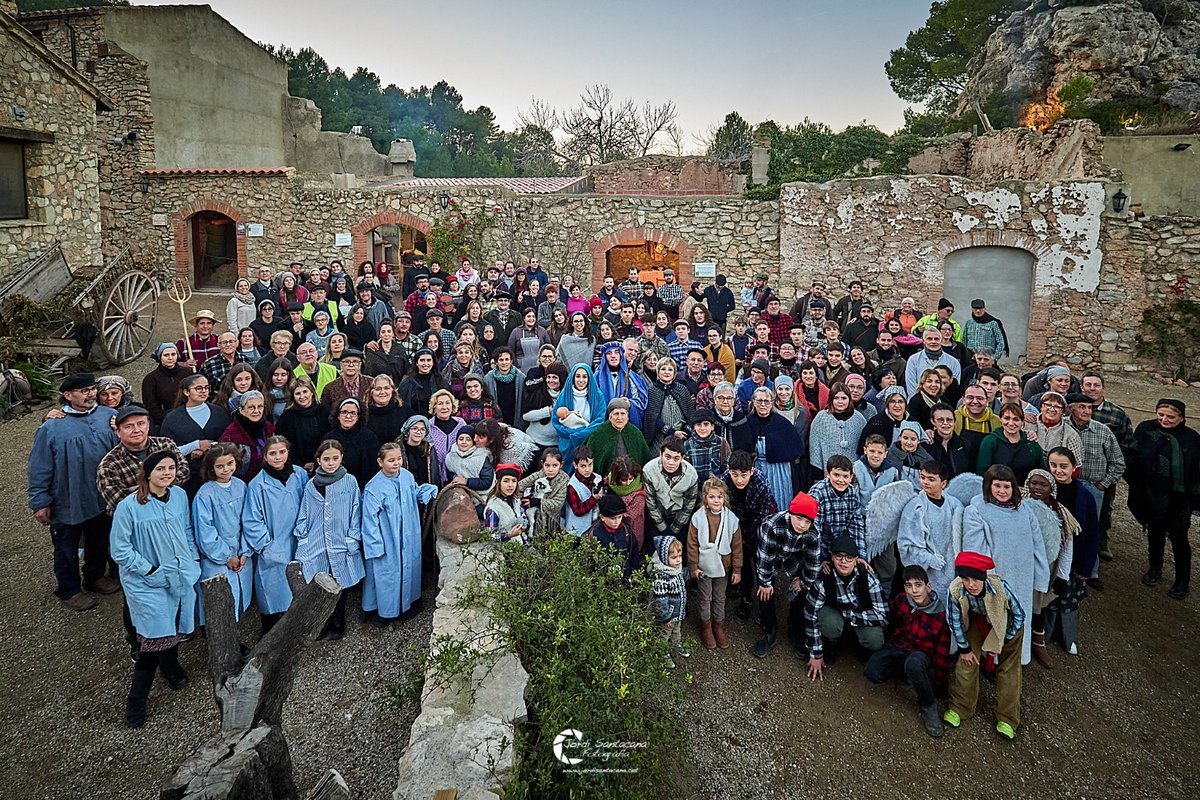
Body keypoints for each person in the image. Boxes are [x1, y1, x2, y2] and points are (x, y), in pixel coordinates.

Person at [110, 452, 199, 727]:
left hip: (180, 573)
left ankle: (170, 667)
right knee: (153, 637)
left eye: (171, 467)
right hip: (146, 581)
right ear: (147, 473)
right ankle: (136, 701)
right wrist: (148, 569)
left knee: (174, 625)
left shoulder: (180, 496)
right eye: (160, 468)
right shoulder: (129, 507)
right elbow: (119, 549)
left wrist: (192, 560)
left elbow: (186, 530)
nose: (167, 473)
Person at [28, 373, 121, 611]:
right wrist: (40, 502)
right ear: (68, 395)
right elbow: (39, 467)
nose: (91, 394)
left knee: (99, 539)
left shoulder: (109, 417)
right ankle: (69, 589)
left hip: (101, 496)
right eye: (84, 391)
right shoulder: (51, 427)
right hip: (68, 498)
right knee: (66, 547)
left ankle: (94, 576)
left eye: (92, 389)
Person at [963, 464, 1049, 665]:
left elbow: (1037, 544)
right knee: (995, 619)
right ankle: (992, 663)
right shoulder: (976, 509)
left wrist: (1041, 575)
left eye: (1007, 486)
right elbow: (976, 548)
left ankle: (1016, 658)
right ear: (988, 486)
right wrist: (988, 579)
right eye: (997, 486)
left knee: (1019, 617)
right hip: (997, 576)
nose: (1002, 491)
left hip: (1023, 577)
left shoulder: (1024, 510)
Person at [942, 551, 1025, 740]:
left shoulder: (1000, 588)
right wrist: (965, 649)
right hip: (978, 621)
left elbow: (1019, 615)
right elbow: (954, 620)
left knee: (1008, 670)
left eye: (975, 579)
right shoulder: (955, 589)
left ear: (983, 578)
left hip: (1006, 626)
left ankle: (1007, 718)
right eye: (965, 579)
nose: (971, 584)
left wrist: (1002, 642)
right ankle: (960, 707)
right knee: (966, 663)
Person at [865, 564, 953, 738]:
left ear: (928, 587)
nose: (914, 590)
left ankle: (928, 706)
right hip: (898, 645)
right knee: (872, 672)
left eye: (918, 585)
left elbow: (942, 653)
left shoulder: (940, 614)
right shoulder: (901, 600)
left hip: (921, 654)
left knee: (914, 663)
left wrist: (940, 685)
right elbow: (891, 625)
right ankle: (905, 673)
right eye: (909, 586)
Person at [1128, 398, 1200, 599]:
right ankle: (1155, 569)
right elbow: (1134, 456)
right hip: (1153, 494)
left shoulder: (1192, 438)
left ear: (1182, 418)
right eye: (1161, 415)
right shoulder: (1146, 430)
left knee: (1179, 538)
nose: (1164, 419)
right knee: (1155, 532)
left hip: (1180, 498)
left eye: (1170, 417)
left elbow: (1197, 468)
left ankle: (1182, 581)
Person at [361, 442, 438, 627]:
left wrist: (426, 491)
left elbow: (414, 492)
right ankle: (384, 611)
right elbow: (369, 522)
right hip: (389, 540)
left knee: (409, 569)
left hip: (408, 535)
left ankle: (407, 605)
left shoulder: (406, 476)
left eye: (398, 459)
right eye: (391, 460)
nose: (396, 463)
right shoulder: (374, 488)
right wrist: (375, 546)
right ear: (380, 462)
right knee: (386, 576)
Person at [297, 439, 364, 640]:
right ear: (318, 460)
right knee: (320, 582)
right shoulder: (311, 486)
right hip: (318, 541)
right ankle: (323, 621)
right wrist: (303, 538)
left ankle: (339, 621)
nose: (331, 463)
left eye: (335, 458)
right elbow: (305, 512)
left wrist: (352, 537)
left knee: (341, 581)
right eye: (326, 459)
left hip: (340, 539)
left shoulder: (350, 481)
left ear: (341, 458)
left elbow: (356, 510)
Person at [242, 435, 306, 636]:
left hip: (298, 542)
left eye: (282, 452)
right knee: (272, 594)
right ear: (265, 456)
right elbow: (252, 520)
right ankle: (268, 635)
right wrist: (267, 547)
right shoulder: (257, 485)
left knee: (297, 592)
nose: (278, 457)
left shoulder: (300, 475)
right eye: (272, 453)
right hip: (273, 546)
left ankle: (293, 633)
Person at [803, 534, 887, 681]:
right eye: (839, 556)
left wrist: (850, 616)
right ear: (831, 557)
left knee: (875, 639)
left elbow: (883, 615)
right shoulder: (824, 578)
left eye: (849, 558)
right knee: (830, 623)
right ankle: (831, 644)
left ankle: (861, 646)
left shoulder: (869, 578)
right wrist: (816, 654)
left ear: (856, 559)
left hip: (859, 616)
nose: (843, 562)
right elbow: (810, 614)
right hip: (834, 615)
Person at [752, 491, 821, 658]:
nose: (802, 525)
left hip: (795, 556)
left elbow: (813, 562)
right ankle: (769, 628)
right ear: (790, 513)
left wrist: (803, 582)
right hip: (771, 553)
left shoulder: (814, 532)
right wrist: (765, 582)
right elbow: (764, 558)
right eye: (799, 518)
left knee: (802, 591)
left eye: (807, 521)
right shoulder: (771, 525)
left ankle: (795, 628)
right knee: (765, 591)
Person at [192, 444, 252, 626]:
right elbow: (205, 532)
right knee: (218, 607)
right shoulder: (205, 495)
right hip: (217, 560)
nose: (226, 469)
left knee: (238, 601)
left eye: (230, 464)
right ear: (211, 468)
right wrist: (226, 556)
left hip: (241, 555)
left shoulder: (241, 486)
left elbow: (249, 520)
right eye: (220, 466)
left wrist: (245, 551)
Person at [688, 477, 743, 650]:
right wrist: (693, 566)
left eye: (719, 497)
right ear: (705, 498)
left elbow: (737, 546)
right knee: (705, 597)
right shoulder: (698, 518)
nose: (716, 500)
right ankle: (705, 625)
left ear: (724, 498)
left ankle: (718, 625)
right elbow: (692, 544)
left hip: (722, 566)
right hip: (703, 567)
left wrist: (737, 569)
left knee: (720, 596)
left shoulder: (731, 519)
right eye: (711, 497)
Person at [897, 460, 962, 599]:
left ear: (943, 483)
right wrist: (928, 559)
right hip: (927, 572)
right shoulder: (915, 507)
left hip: (953, 569)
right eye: (922, 477)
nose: (925, 482)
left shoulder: (955, 505)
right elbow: (906, 545)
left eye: (931, 479)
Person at [732, 386, 806, 509]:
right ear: (753, 402)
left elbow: (797, 448)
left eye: (766, 401)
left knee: (779, 500)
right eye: (759, 401)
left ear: (772, 403)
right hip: (755, 469)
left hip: (779, 471)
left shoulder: (782, 423)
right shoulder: (746, 423)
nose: (763, 404)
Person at [644, 439, 699, 547]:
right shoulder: (649, 470)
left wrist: (675, 529)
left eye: (676, 458)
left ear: (682, 458)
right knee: (654, 548)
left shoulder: (691, 475)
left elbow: (689, 505)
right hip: (657, 516)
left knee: (679, 548)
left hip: (680, 517)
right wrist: (662, 527)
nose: (671, 463)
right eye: (667, 457)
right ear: (661, 454)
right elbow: (650, 503)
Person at [808, 384, 867, 483]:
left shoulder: (859, 419)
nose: (840, 401)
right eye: (836, 398)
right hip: (828, 473)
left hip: (853, 473)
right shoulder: (821, 418)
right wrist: (817, 474)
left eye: (844, 398)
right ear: (831, 399)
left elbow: (863, 448)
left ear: (849, 399)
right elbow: (815, 448)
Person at [976, 402, 1045, 482]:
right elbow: (982, 471)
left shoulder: (1031, 442)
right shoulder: (990, 441)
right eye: (1006, 418)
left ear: (1022, 422)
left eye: (1016, 419)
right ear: (1000, 419)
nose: (1011, 423)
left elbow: (1042, 471)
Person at [649, 536, 689, 667]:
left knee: (677, 630)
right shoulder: (661, 577)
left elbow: (684, 575)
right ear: (664, 558)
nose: (678, 560)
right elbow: (660, 600)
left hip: (677, 612)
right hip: (668, 616)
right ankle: (662, 652)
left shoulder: (676, 570)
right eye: (674, 557)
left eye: (680, 556)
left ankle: (676, 644)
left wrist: (696, 573)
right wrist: (665, 617)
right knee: (664, 633)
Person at [325, 398, 381, 490]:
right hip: (336, 488)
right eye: (344, 412)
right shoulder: (329, 438)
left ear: (358, 417)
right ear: (338, 415)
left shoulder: (369, 437)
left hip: (364, 487)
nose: (348, 416)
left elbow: (374, 468)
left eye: (353, 413)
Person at [219, 390, 274, 483]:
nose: (256, 411)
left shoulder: (268, 428)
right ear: (241, 410)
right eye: (251, 407)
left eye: (260, 407)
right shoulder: (231, 433)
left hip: (266, 479)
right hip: (241, 482)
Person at [586, 492, 640, 580]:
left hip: (624, 577)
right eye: (613, 518)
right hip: (602, 580)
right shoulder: (594, 534)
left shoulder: (626, 532)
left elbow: (634, 553)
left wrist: (634, 574)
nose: (617, 521)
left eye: (620, 517)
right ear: (602, 517)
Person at [517, 448, 570, 535]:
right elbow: (519, 485)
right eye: (547, 465)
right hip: (533, 517)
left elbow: (558, 503)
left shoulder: (564, 480)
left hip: (552, 520)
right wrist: (523, 497)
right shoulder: (538, 475)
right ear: (542, 464)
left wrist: (537, 502)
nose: (550, 469)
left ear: (561, 465)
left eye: (555, 465)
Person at [141, 343, 189, 430]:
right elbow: (150, 405)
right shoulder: (151, 379)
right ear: (160, 357)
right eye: (166, 355)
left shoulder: (187, 373)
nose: (170, 358)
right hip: (165, 419)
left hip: (188, 414)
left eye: (173, 354)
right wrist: (166, 420)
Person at [485, 464, 527, 545]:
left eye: (514, 481)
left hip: (522, 543)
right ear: (498, 482)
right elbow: (490, 537)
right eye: (506, 481)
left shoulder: (516, 500)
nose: (510, 485)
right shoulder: (493, 508)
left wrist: (524, 524)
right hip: (504, 549)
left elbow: (523, 515)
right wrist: (509, 535)